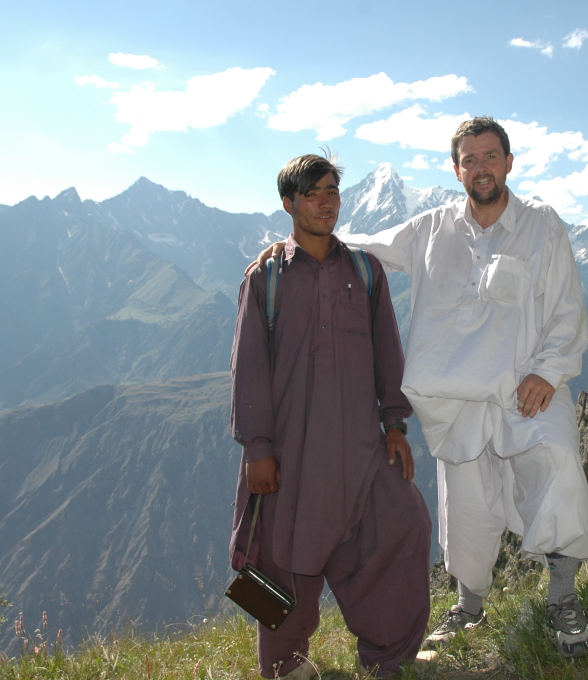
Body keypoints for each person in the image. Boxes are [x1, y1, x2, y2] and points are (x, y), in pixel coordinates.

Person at [257, 118, 588, 658]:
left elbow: (567, 309)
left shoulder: (543, 227)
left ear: (509, 163)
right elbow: (368, 246)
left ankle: (562, 600)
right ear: (456, 168)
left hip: (528, 390)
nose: (480, 167)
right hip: (456, 400)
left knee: (555, 471)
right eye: (469, 158)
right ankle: (469, 606)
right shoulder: (434, 227)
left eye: (490, 156)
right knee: (465, 508)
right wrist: (295, 243)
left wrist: (549, 371)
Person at [229, 154, 431, 679]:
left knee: (402, 526)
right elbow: (248, 366)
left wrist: (395, 424)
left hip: (361, 448)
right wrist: (258, 449)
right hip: (289, 452)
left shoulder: (364, 271)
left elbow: (389, 350)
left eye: (333, 192)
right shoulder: (266, 277)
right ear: (289, 203)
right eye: (314, 193)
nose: (326, 202)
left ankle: (392, 656)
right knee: (278, 561)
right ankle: (284, 665)